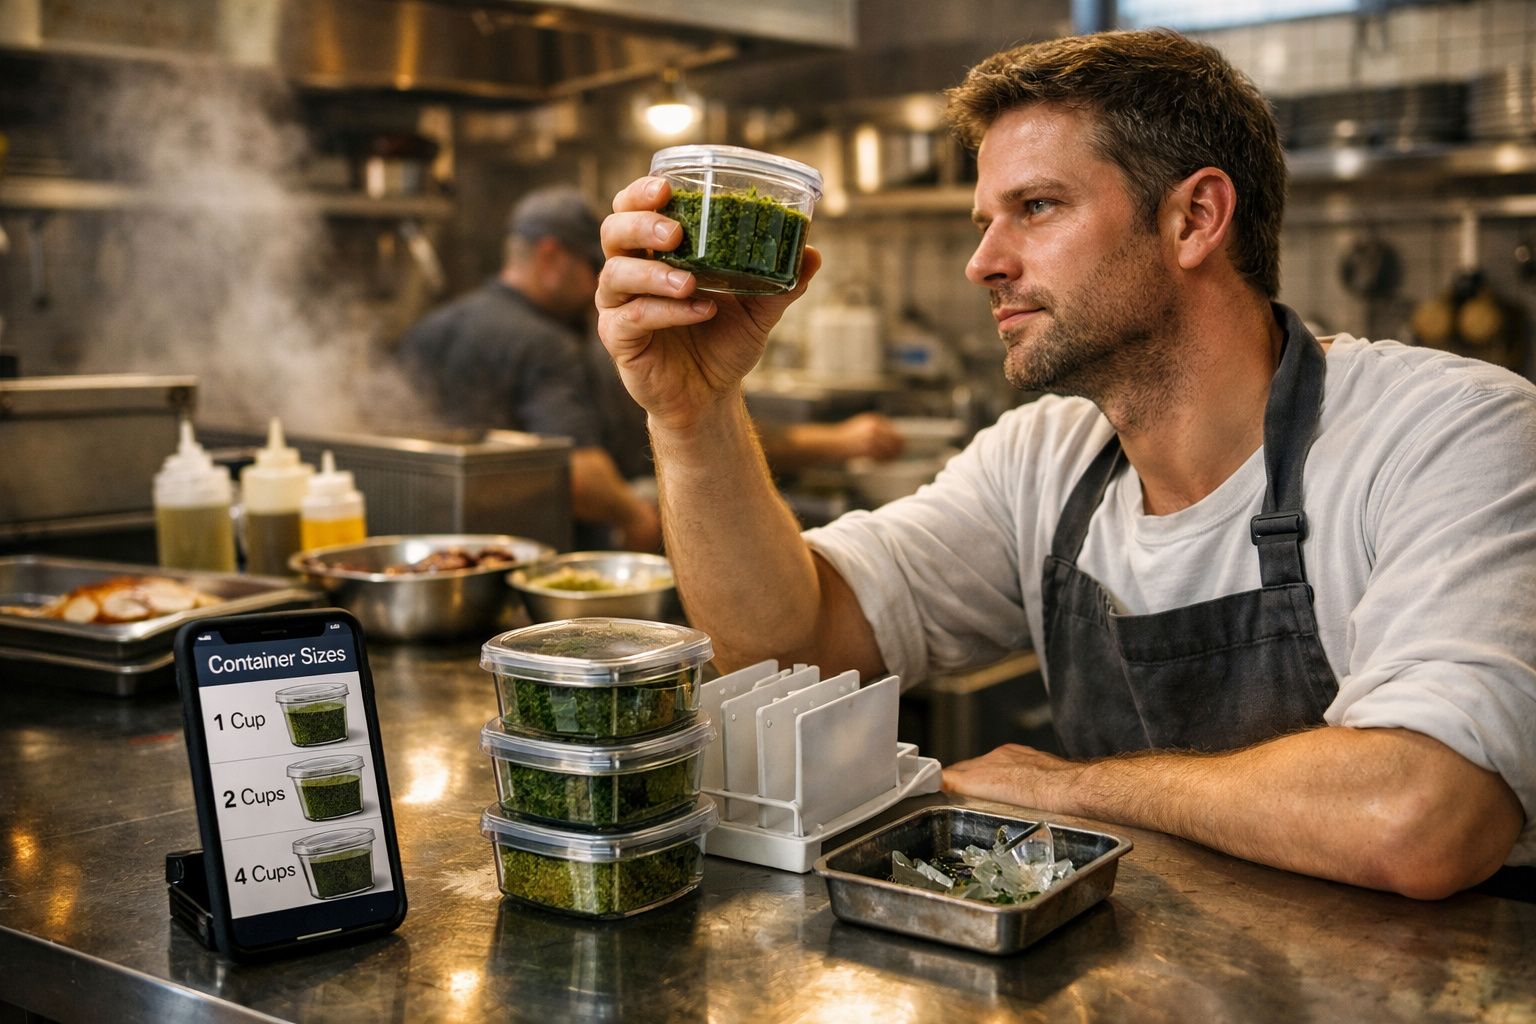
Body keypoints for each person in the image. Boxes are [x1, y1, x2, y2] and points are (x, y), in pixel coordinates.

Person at [594, 29, 1535, 899]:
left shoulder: (1450, 434)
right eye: (984, 220)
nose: (984, 263)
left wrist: (1076, 791)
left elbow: (1424, 815)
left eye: (1036, 207)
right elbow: (789, 643)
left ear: (1195, 218)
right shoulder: (1041, 462)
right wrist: (693, 410)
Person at [400, 186, 663, 552]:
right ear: (550, 257)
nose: (597, 284)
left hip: (427, 549)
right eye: (594, 266)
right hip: (526, 552)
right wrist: (635, 517)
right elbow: (578, 474)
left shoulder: (430, 326)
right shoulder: (546, 344)